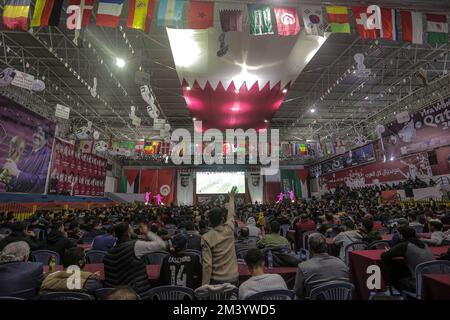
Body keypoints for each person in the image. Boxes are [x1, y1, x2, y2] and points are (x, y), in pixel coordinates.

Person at [103, 223, 159, 299]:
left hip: (115, 296)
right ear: (128, 233)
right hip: (137, 294)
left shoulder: (107, 255)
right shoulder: (137, 247)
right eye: (131, 229)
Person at [201, 186, 239, 286]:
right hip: (233, 278)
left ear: (209, 221)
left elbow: (207, 265)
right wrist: (231, 197)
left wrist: (204, 286)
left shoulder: (206, 238)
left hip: (216, 280)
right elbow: (231, 214)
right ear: (222, 219)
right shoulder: (229, 230)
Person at [293, 233, 349, 299]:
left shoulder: (303, 267)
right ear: (326, 246)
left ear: (309, 248)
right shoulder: (341, 263)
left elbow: (297, 292)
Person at [381, 226, 434, 293]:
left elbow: (384, 256)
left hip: (418, 284)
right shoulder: (424, 244)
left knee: (392, 272)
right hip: (433, 280)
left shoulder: (404, 245)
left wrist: (388, 251)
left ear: (401, 235)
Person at [2, 125, 52, 193]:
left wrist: (17, 173)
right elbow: (17, 175)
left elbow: (41, 181)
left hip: (26, 199)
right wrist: (7, 176)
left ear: (46, 140)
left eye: (41, 134)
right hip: (13, 194)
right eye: (36, 132)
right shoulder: (28, 153)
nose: (37, 135)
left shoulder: (48, 155)